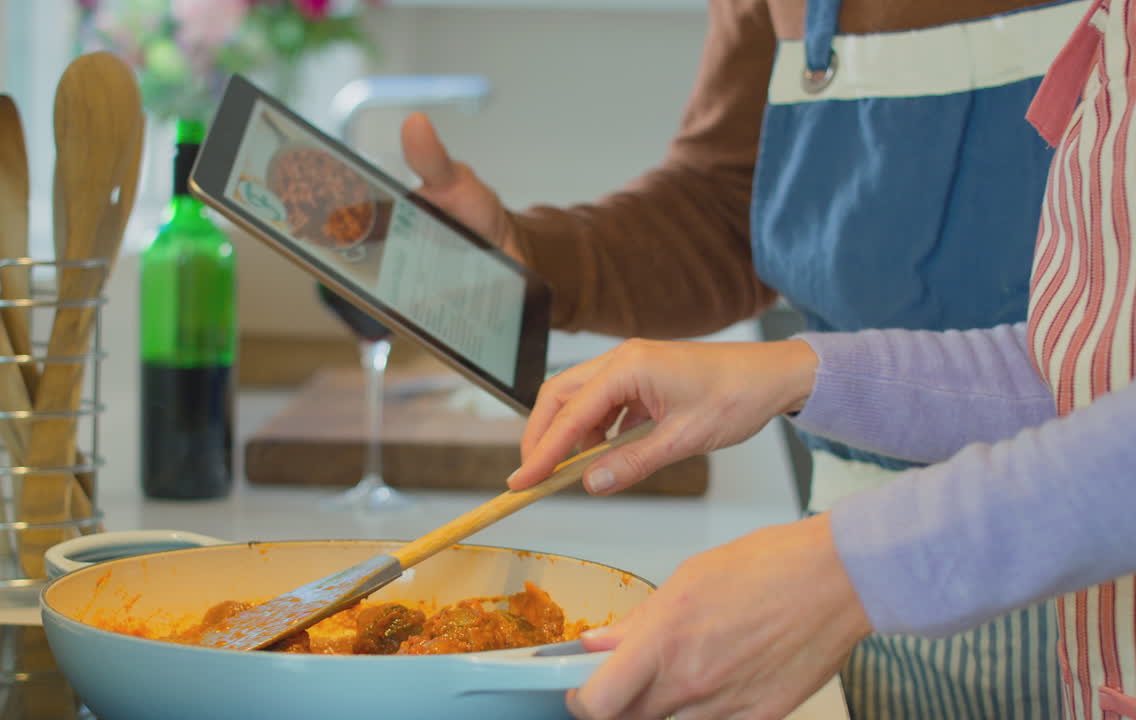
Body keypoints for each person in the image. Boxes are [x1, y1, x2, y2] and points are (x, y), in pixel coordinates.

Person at [403, 1, 1084, 717]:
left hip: (1088, 553)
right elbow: (735, 206)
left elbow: (1101, 396)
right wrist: (529, 255)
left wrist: (795, 381)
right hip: (853, 549)